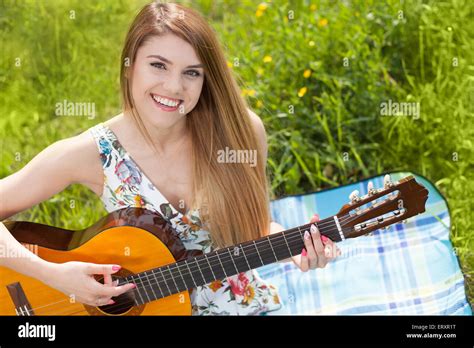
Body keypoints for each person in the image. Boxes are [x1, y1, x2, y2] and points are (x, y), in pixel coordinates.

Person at [0, 1, 340, 315]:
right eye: (158, 65)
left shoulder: (240, 134)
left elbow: (252, 225)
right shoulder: (92, 154)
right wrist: (54, 275)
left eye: (192, 72)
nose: (174, 87)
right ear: (129, 66)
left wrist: (294, 246)